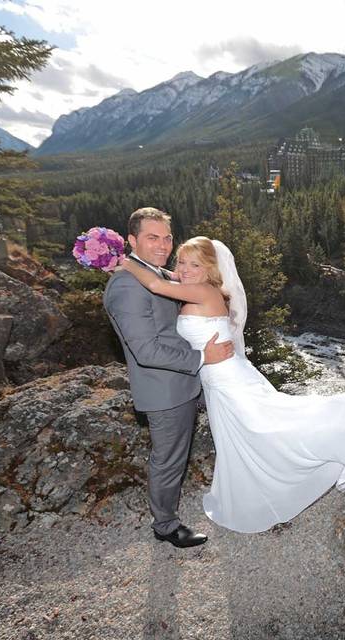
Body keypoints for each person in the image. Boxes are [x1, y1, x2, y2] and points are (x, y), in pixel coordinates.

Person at [118, 235, 345, 533]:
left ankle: (342, 432)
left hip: (226, 380)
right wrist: (166, 269)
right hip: (217, 378)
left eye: (195, 263)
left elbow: (155, 284)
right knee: (240, 439)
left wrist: (123, 262)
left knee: (263, 429)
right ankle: (252, 493)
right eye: (181, 261)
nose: (185, 268)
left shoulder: (203, 292)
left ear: (210, 268)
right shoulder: (196, 285)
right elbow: (167, 276)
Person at [103, 207, 235, 549]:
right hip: (165, 390)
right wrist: (203, 356)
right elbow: (146, 350)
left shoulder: (149, 271)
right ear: (132, 240)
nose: (162, 245)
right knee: (168, 459)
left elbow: (164, 283)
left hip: (185, 380)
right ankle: (165, 525)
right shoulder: (126, 286)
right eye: (152, 237)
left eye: (167, 238)